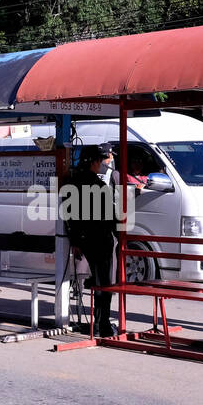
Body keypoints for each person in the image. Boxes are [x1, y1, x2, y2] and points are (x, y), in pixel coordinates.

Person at [65, 144, 119, 337]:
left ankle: (99, 323)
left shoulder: (71, 183)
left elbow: (69, 216)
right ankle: (102, 324)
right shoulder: (98, 186)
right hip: (100, 240)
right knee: (105, 284)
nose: (102, 164)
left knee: (97, 281)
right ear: (94, 162)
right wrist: (120, 236)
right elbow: (110, 217)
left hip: (83, 240)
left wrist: (75, 241)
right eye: (100, 160)